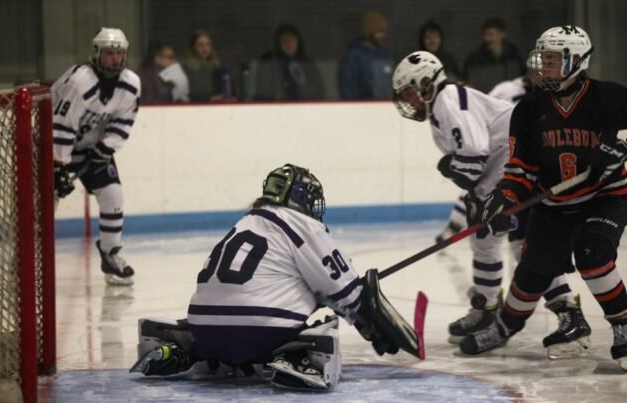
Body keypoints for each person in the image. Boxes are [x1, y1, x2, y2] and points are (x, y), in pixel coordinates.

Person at [461, 26, 627, 372]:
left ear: (577, 61)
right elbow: (521, 170)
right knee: (531, 273)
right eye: (543, 59)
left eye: (553, 60)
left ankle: (623, 324)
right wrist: (504, 200)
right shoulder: (528, 109)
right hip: (554, 205)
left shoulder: (607, 97)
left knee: (593, 254)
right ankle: (503, 327)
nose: (544, 67)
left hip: (604, 197)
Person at [129, 164, 421, 391]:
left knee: (233, 322)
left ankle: (182, 349)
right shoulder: (302, 224)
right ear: (301, 199)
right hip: (260, 333)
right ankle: (295, 356)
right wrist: (372, 327)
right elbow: (347, 293)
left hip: (205, 329)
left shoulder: (245, 222)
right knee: (326, 325)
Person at [392, 50, 591, 358]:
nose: (408, 100)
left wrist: (457, 172)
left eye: (409, 92)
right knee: (491, 240)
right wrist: (475, 194)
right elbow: (479, 160)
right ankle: (486, 308)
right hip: (511, 162)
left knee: (524, 244)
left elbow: (474, 153)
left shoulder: (446, 102)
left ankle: (569, 315)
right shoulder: (443, 105)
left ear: (426, 82)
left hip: (522, 160)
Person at [51, 28, 141, 286]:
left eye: (119, 53)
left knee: (113, 197)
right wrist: (60, 167)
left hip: (92, 148)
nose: (115, 58)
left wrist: (107, 148)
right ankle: (29, 261)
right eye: (109, 53)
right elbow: (61, 125)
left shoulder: (131, 83)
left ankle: (111, 254)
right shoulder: (81, 81)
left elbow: (124, 120)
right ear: (97, 54)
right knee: (47, 204)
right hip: (52, 148)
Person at [252, 23, 325, 101]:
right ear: (278, 44)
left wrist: (302, 86)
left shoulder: (307, 64)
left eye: (291, 39)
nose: (288, 43)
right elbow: (263, 93)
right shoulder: (268, 62)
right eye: (283, 40)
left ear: (298, 41)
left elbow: (319, 92)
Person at [338, 11, 394, 100]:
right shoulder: (353, 56)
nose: (384, 35)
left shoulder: (385, 54)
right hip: (363, 109)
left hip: (386, 108)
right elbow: (347, 88)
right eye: (379, 31)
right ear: (368, 32)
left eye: (384, 31)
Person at [462, 18, 525, 93]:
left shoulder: (515, 57)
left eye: (490, 34)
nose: (486, 38)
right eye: (484, 35)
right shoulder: (473, 60)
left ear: (502, 34)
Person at [183, 30, 233, 102]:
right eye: (201, 45)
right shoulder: (187, 67)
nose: (205, 48)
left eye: (208, 44)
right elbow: (187, 95)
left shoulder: (218, 66)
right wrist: (209, 99)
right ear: (193, 47)